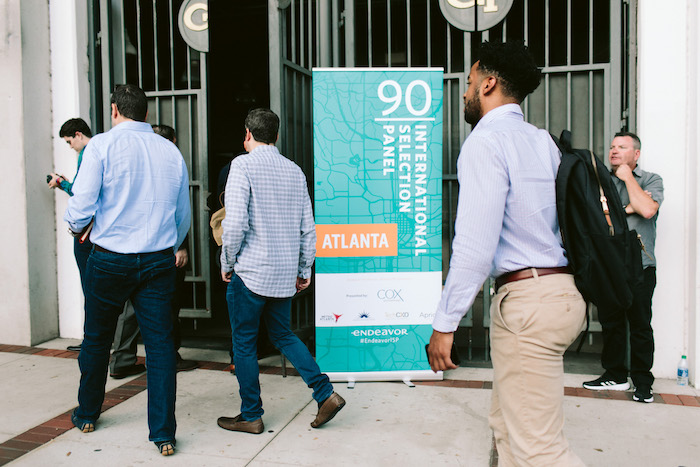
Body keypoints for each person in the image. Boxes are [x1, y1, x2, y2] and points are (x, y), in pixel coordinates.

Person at [426, 41, 586, 466]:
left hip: (528, 305)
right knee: (508, 432)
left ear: (488, 84)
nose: (464, 91)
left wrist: (445, 323)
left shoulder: (486, 142)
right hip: (559, 294)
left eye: (469, 81)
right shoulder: (543, 142)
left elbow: (475, 245)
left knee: (539, 449)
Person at [64, 84, 191, 456]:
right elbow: (182, 215)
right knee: (160, 347)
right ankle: (163, 434)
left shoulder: (101, 146)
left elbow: (82, 204)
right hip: (157, 260)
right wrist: (167, 244)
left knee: (97, 338)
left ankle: (88, 413)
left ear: (115, 110)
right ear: (147, 113)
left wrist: (76, 226)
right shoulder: (170, 151)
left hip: (109, 259)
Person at [217, 108, 344, 434]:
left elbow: (235, 224)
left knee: (244, 343)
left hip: (250, 273)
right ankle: (325, 393)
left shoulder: (241, 166)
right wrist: (304, 269)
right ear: (276, 136)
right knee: (284, 335)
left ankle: (251, 414)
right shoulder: (294, 171)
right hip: (283, 274)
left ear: (247, 134)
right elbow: (307, 228)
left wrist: (227, 262)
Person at [109, 124, 198, 377]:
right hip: (161, 249)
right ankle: (166, 358)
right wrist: (180, 246)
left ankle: (121, 360)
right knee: (165, 306)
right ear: (171, 141)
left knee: (129, 310)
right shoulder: (170, 164)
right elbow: (179, 213)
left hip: (128, 247)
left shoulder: (133, 163)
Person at [583, 132, 663, 403]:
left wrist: (628, 178)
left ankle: (642, 382)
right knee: (612, 323)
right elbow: (596, 216)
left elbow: (648, 210)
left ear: (636, 154)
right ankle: (615, 374)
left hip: (641, 264)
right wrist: (630, 207)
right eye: (612, 146)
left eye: (622, 147)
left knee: (640, 326)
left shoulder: (650, 180)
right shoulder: (601, 181)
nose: (614, 151)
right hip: (610, 265)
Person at [48, 118, 93, 352]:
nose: (70, 147)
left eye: (69, 142)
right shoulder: (101, 150)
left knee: (90, 287)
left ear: (78, 134)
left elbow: (80, 192)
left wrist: (61, 183)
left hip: (88, 232)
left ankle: (91, 340)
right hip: (102, 232)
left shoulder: (88, 153)